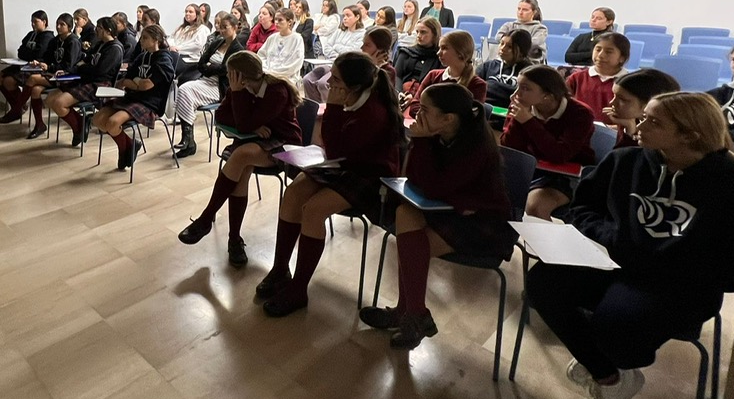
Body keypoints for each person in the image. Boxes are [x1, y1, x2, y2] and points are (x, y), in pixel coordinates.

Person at [527, 92, 734, 399]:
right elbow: (581, 207)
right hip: (614, 260)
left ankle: (605, 360)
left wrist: (664, 259)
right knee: (543, 282)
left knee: (617, 328)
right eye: (645, 116)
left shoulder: (733, 192)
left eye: (654, 121)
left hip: (676, 285)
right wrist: (612, 238)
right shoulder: (626, 161)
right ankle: (610, 378)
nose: (641, 124)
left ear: (689, 135)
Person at [358, 82, 512, 349]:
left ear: (448, 118)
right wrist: (422, 144)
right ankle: (412, 313)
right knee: (405, 214)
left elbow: (434, 186)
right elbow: (417, 181)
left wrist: (421, 142)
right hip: (449, 210)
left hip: (482, 224)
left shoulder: (476, 147)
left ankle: (409, 313)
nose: (417, 114)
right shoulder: (439, 138)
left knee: (413, 247)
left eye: (425, 110)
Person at [258, 52, 403, 316]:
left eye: (335, 79)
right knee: (293, 193)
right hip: (345, 164)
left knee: (313, 210)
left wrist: (333, 106)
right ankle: (280, 269)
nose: (329, 82)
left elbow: (333, 147)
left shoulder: (373, 112)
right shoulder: (354, 96)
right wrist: (335, 106)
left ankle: (298, 288)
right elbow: (331, 148)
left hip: (371, 177)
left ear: (354, 86)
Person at [178, 51, 302, 266]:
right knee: (241, 165)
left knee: (241, 155)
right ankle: (233, 238)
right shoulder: (240, 88)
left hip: (283, 143)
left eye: (230, 74)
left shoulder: (276, 91)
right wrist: (251, 121)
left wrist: (243, 107)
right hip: (255, 139)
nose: (228, 78)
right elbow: (222, 116)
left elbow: (243, 124)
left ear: (240, 76)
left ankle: (206, 219)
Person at [501, 66, 596, 219]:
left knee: (535, 205)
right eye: (517, 87)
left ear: (548, 96)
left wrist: (528, 121)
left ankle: (542, 242)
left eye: (525, 88)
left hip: (567, 175)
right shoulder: (523, 107)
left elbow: (559, 155)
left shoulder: (580, 113)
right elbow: (511, 148)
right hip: (533, 168)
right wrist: (519, 121)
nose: (515, 95)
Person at [92, 24, 176, 171]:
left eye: (145, 38)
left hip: (149, 103)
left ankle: (126, 148)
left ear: (156, 40)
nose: (141, 41)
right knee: (97, 119)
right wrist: (134, 83)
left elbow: (147, 85)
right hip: (132, 97)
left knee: (112, 123)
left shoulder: (163, 59)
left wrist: (133, 83)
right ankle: (130, 144)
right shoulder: (142, 57)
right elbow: (125, 80)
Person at [172, 12, 245, 159]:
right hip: (204, 81)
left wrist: (211, 67)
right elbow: (201, 64)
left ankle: (188, 140)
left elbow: (226, 71)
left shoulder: (238, 49)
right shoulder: (216, 43)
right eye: (220, 27)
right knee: (184, 89)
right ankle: (188, 140)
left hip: (219, 87)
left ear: (235, 27)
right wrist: (213, 67)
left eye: (225, 27)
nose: (222, 31)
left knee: (186, 90)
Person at [47, 17, 124, 147]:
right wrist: (69, 71)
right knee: (50, 99)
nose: (96, 31)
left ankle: (79, 127)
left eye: (99, 28)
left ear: (108, 30)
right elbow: (84, 61)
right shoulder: (100, 44)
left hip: (99, 84)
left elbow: (100, 71)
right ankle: (81, 124)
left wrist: (83, 68)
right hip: (86, 79)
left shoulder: (115, 48)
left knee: (59, 103)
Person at [21, 12, 82, 139]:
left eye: (62, 24)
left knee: (32, 78)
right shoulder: (55, 41)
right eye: (57, 24)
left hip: (67, 77)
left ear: (69, 27)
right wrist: (40, 63)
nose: (58, 27)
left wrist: (50, 67)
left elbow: (68, 66)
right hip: (53, 73)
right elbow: (47, 58)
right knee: (35, 91)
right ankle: (39, 125)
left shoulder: (73, 41)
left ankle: (18, 106)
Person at [403, 30, 485, 118]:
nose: (438, 53)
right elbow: (415, 106)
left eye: (444, 48)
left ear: (460, 53)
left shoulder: (477, 85)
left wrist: (429, 117)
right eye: (439, 48)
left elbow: (468, 118)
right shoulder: (433, 75)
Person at [0, 10, 55, 124]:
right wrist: (28, 54)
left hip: (36, 68)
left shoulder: (48, 37)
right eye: (31, 21)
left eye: (35, 21)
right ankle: (17, 108)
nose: (32, 24)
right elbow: (20, 52)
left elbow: (38, 55)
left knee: (8, 81)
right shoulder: (30, 34)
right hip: (23, 64)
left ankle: (16, 109)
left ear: (44, 22)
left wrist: (28, 54)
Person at [603, 68, 681, 149]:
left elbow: (627, 159)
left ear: (649, 104)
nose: (612, 103)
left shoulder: (662, 135)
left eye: (623, 100)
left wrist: (629, 132)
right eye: (614, 96)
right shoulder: (632, 120)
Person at [302, 5, 364, 102]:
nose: (345, 18)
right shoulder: (339, 31)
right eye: (344, 16)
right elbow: (326, 47)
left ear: (357, 17)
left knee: (324, 83)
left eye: (348, 15)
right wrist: (338, 54)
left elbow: (352, 52)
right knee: (307, 80)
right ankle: (316, 108)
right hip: (331, 63)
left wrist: (336, 47)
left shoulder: (362, 34)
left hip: (345, 67)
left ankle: (329, 109)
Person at [566, 33, 630, 122]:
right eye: (598, 49)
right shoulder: (577, 78)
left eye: (608, 52)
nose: (600, 55)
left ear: (622, 58)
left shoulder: (630, 83)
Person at [478, 29, 535, 111]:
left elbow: (523, 97)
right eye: (501, 43)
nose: (503, 48)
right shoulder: (487, 66)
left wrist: (491, 85)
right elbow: (474, 88)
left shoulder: (530, 72)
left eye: (510, 46)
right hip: (484, 111)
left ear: (522, 51)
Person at [393, 17, 442, 92]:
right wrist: (398, 93)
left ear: (434, 34)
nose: (418, 36)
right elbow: (397, 76)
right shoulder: (406, 52)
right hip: (402, 93)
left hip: (427, 97)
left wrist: (416, 97)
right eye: (417, 32)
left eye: (423, 32)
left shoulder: (440, 57)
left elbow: (438, 84)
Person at [258, 8, 305, 87]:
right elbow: (261, 56)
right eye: (275, 19)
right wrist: (266, 70)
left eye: (280, 20)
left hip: (287, 78)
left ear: (289, 22)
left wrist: (276, 74)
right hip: (268, 75)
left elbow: (295, 63)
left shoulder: (297, 39)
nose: (276, 22)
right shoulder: (272, 38)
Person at [171, 3, 211, 84]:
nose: (187, 14)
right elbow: (171, 38)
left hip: (189, 57)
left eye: (190, 12)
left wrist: (179, 48)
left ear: (197, 14)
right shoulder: (181, 28)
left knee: (173, 67)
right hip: (175, 53)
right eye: (186, 11)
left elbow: (198, 45)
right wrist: (172, 45)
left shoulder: (202, 29)